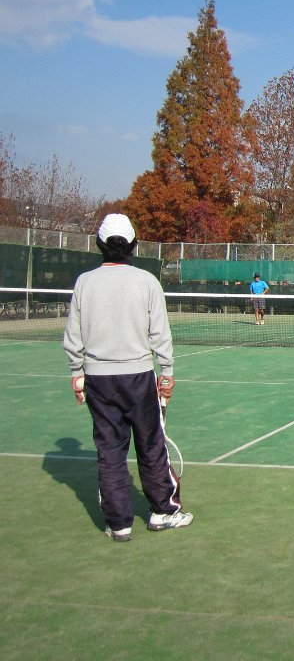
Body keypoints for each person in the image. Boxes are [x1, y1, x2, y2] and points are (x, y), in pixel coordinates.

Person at [62, 213, 192, 543]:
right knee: (151, 446)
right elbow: (160, 333)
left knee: (110, 452)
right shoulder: (147, 282)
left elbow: (73, 336)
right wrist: (167, 374)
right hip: (137, 379)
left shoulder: (84, 282)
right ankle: (163, 511)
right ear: (133, 245)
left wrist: (77, 374)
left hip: (99, 381)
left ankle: (119, 523)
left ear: (100, 244)